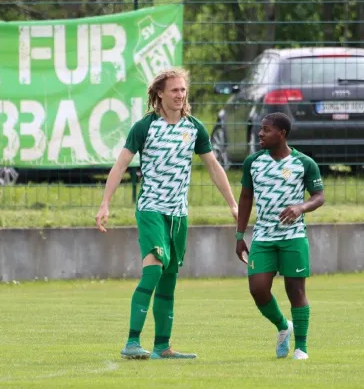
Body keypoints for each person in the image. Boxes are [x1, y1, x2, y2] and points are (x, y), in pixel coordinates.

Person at [95, 68, 238, 360]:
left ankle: (162, 346)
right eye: (174, 90)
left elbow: (213, 167)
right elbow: (121, 165)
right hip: (151, 209)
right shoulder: (144, 127)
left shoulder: (194, 128)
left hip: (178, 215)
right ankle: (132, 342)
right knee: (154, 269)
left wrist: (233, 204)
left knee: (169, 278)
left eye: (183, 90)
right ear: (160, 93)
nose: (180, 95)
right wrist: (105, 203)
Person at [235, 112, 325, 360]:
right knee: (258, 289)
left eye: (266, 129)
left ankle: (301, 348)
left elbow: (319, 196)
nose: (260, 134)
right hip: (263, 236)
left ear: (282, 134)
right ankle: (283, 326)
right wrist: (240, 234)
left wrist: (300, 208)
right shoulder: (253, 162)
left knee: (295, 291)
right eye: (260, 129)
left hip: (293, 236)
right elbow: (245, 198)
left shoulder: (304, 163)